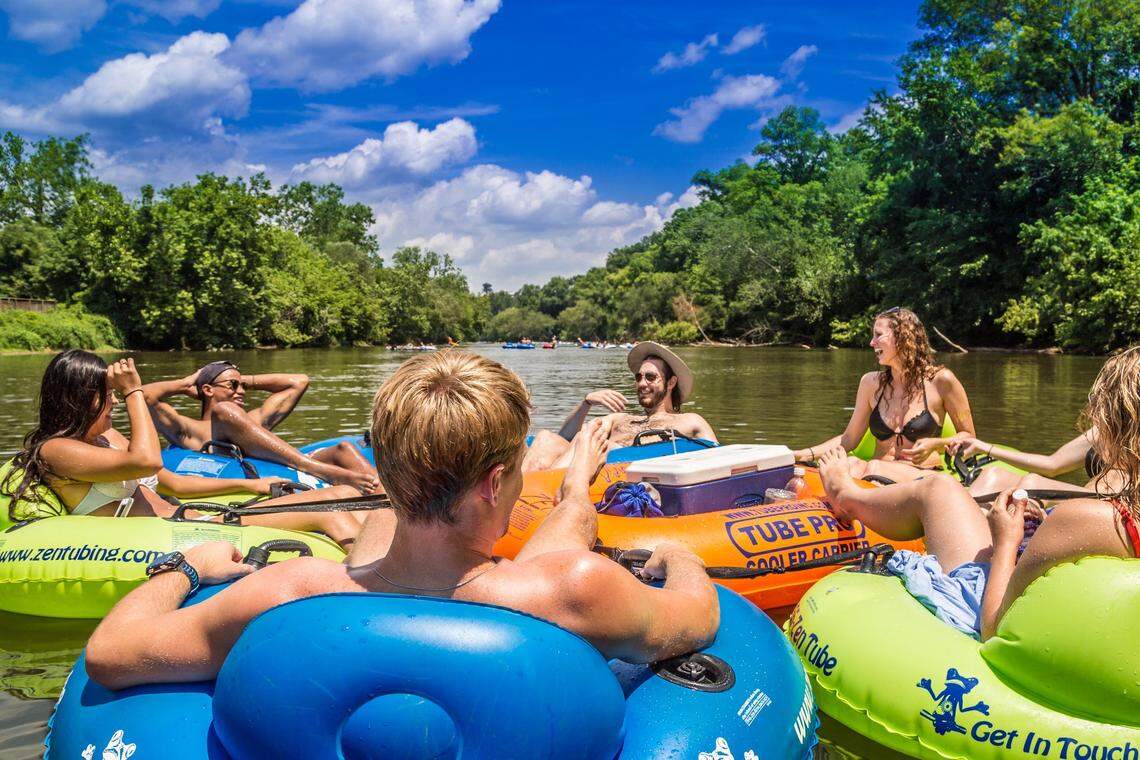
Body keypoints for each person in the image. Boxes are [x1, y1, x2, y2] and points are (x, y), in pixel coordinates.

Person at [84, 350, 719, 690]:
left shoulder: (288, 593)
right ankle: (577, 488)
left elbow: (109, 655)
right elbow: (699, 615)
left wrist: (186, 567)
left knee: (385, 531)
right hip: (508, 598)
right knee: (567, 519)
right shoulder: (575, 589)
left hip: (377, 573)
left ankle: (571, 490)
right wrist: (680, 557)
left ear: (386, 472)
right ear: (497, 482)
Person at [813, 346, 1140, 640]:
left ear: (1116, 423)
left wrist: (1007, 541)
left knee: (938, 488)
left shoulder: (1087, 519)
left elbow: (994, 625)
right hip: (1066, 594)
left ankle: (845, 494)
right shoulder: (1115, 516)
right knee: (976, 485)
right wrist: (1044, 525)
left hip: (991, 606)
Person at [1, 350, 367, 546]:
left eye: (114, 393)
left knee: (350, 497)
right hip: (170, 534)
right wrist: (134, 392)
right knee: (331, 509)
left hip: (192, 516)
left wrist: (251, 485)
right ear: (79, 398)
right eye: (106, 394)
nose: (113, 401)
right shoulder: (56, 450)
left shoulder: (107, 440)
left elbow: (172, 483)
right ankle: (375, 596)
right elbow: (146, 459)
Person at [793, 307, 975, 481]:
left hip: (921, 477)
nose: (872, 343)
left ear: (904, 337)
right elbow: (849, 439)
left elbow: (968, 436)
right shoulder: (870, 384)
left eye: (878, 335)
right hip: (875, 474)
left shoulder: (941, 381)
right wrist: (803, 454)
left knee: (870, 467)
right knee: (852, 463)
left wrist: (936, 444)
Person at [142, 361, 378, 492]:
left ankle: (389, 498)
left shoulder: (253, 422)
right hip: (234, 476)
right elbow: (144, 396)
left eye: (242, 385)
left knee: (344, 448)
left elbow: (298, 381)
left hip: (284, 465)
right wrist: (186, 383)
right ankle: (320, 470)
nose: (241, 391)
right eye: (233, 385)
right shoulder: (188, 430)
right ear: (207, 389)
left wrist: (246, 380)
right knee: (224, 410)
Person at [524, 341, 718, 472]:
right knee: (545, 438)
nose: (642, 383)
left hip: (620, 479)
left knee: (605, 444)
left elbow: (722, 460)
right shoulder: (620, 419)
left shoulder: (690, 421)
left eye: (650, 377)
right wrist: (586, 403)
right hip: (575, 470)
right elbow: (565, 438)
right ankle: (523, 500)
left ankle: (538, 495)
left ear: (671, 382)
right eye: (639, 377)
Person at [948, 429, 1123, 497]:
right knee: (993, 475)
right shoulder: (1107, 426)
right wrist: (984, 447)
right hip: (1086, 498)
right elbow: (1053, 464)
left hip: (1116, 507)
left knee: (1033, 483)